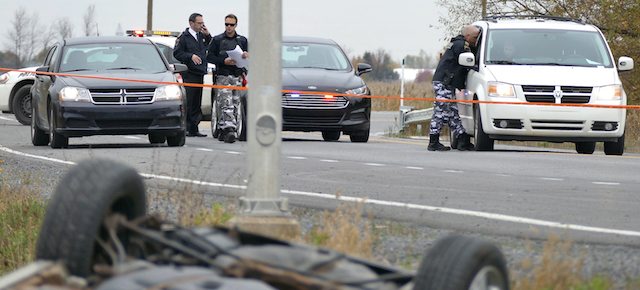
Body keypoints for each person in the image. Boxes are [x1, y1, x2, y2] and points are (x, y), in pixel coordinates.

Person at [428, 25, 480, 151]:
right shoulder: (461, 45)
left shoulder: (457, 43)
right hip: (444, 82)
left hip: (447, 82)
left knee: (452, 113)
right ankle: (433, 141)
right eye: (474, 37)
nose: (476, 40)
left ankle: (462, 140)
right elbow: (468, 62)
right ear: (467, 36)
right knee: (441, 112)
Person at [206, 14, 249, 143]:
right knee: (225, 103)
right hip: (223, 75)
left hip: (237, 75)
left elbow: (248, 56)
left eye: (231, 25)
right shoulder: (217, 40)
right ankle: (228, 128)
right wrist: (223, 61)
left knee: (236, 103)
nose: (229, 27)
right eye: (226, 24)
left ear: (236, 25)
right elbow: (209, 57)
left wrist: (246, 56)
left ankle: (229, 128)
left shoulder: (242, 40)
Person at [173, 13, 211, 137]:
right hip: (189, 73)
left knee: (196, 102)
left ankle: (194, 127)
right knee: (189, 101)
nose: (201, 25)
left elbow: (211, 47)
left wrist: (208, 35)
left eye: (202, 23)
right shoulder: (184, 37)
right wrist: (190, 56)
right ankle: (187, 127)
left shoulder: (202, 36)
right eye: (199, 23)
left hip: (200, 73)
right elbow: (177, 53)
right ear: (191, 23)